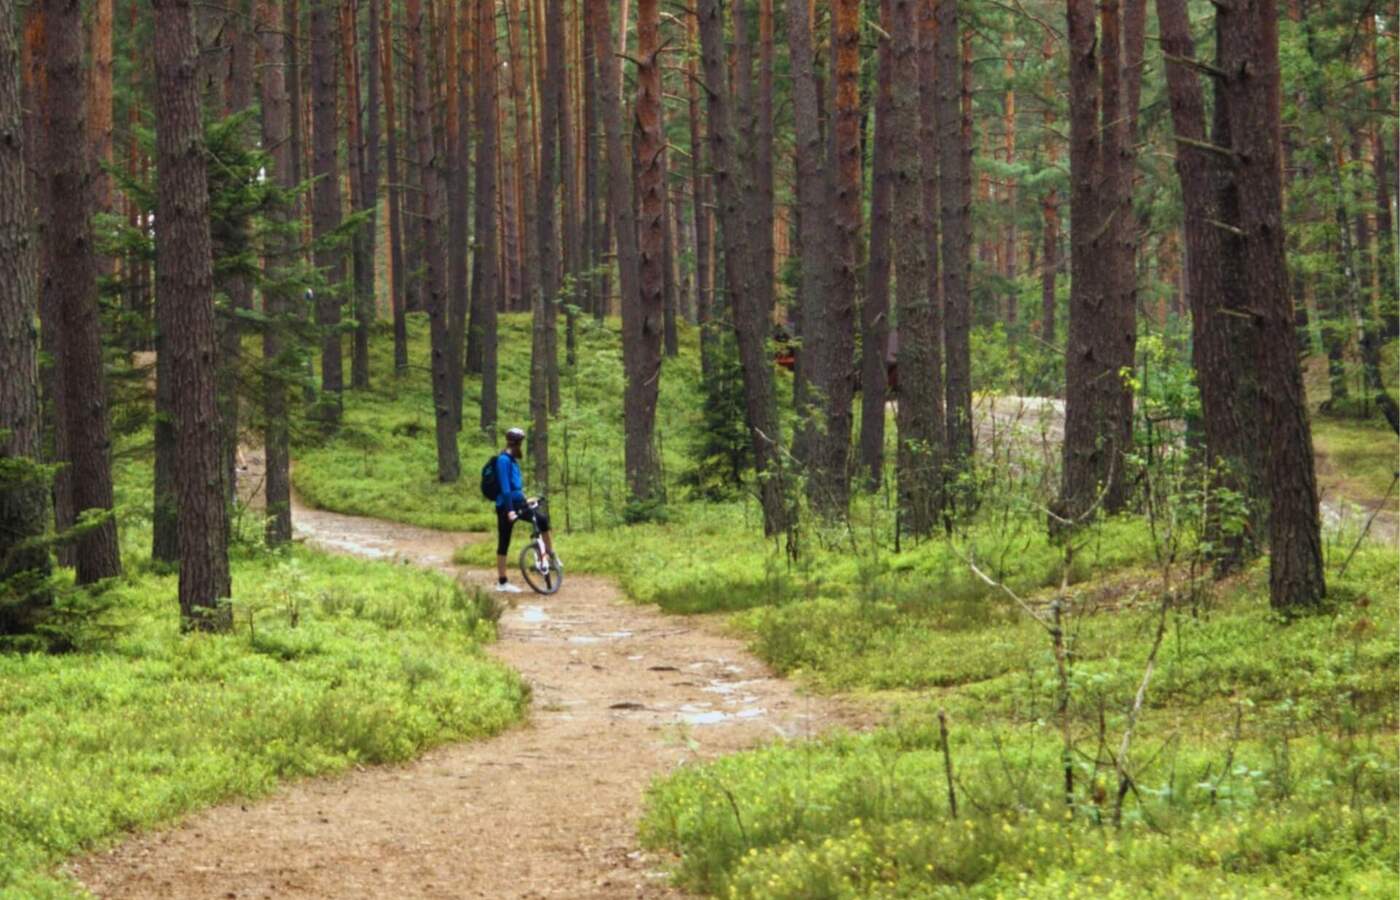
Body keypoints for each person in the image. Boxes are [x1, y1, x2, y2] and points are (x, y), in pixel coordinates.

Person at [493, 427, 555, 593]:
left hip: (518, 502)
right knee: (504, 540)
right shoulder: (503, 460)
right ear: (516, 443)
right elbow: (506, 488)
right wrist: (510, 510)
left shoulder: (512, 460)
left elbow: (515, 488)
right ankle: (502, 582)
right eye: (520, 443)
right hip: (506, 506)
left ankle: (548, 556)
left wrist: (525, 499)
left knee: (542, 520)